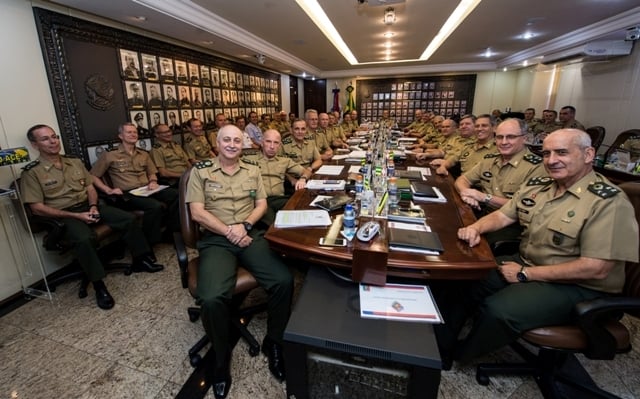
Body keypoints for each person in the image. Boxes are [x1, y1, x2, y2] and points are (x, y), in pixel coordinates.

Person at [437, 128, 638, 368]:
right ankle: (441, 347)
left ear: (588, 154)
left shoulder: (607, 201)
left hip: (579, 285)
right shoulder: (541, 185)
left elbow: (596, 268)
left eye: (562, 152)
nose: (552, 161)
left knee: (499, 310)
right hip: (527, 262)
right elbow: (503, 215)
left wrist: (525, 274)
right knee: (463, 279)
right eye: (546, 153)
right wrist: (476, 228)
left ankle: (465, 353)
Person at [185, 124, 293, 398]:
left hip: (248, 234)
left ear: (243, 143)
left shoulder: (252, 170)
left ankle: (275, 342)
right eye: (226, 140)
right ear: (217, 142)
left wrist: (244, 226)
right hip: (217, 239)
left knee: (283, 280)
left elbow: (261, 205)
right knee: (210, 298)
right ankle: (220, 360)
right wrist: (229, 231)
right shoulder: (200, 171)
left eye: (237, 140)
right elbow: (197, 213)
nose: (232, 144)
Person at [20, 125, 163, 309]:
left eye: (54, 137)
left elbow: (90, 188)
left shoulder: (74, 162)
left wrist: (94, 206)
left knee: (127, 218)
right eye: (46, 139)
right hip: (64, 215)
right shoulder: (31, 172)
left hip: (88, 207)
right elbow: (37, 208)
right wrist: (76, 215)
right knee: (84, 238)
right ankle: (99, 285)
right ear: (34, 145)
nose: (53, 141)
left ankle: (140, 260)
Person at [454, 118, 546, 244]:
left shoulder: (536, 167)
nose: (503, 142)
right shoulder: (490, 160)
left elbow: (521, 208)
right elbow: (462, 179)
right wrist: (466, 193)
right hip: (481, 213)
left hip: (511, 226)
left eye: (511, 137)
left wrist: (484, 197)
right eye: (499, 137)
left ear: (524, 138)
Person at [90, 123, 180, 246]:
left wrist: (153, 181)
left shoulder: (143, 154)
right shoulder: (110, 155)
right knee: (154, 206)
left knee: (177, 195)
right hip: (127, 194)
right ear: (121, 136)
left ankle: (170, 233)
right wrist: (108, 190)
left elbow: (152, 173)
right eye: (129, 132)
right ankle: (150, 242)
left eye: (135, 132)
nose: (133, 134)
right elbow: (93, 175)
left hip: (147, 189)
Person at [243, 129, 311, 225]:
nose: (272, 146)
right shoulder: (248, 159)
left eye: (276, 143)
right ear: (262, 143)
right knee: (275, 223)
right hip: (259, 201)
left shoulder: (284, 161)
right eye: (268, 142)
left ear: (279, 146)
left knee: (301, 213)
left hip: (279, 199)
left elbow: (306, 171)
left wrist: (302, 179)